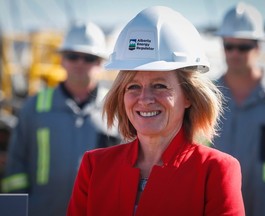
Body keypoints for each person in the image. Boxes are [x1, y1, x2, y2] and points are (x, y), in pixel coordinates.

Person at [67, 6, 245, 216]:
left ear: (188, 96)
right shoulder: (94, 167)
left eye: (160, 85)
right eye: (133, 86)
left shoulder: (215, 170)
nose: (145, 99)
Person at [1, 21, 121, 216]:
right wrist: (18, 207)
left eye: (88, 58)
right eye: (73, 56)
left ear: (100, 62)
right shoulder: (34, 108)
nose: (80, 63)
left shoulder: (117, 108)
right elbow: (16, 163)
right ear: (62, 59)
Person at [213, 2, 265, 216]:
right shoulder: (206, 99)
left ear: (258, 47)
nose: (235, 53)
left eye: (243, 47)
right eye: (229, 46)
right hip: (216, 207)